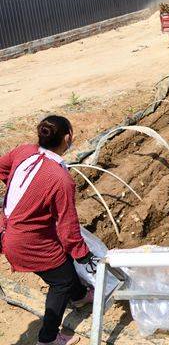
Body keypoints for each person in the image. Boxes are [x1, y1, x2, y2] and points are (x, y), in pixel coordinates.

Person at [0, 116, 94, 345]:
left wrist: (16, 188)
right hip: (26, 242)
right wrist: (83, 254)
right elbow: (67, 226)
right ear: (68, 137)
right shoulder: (60, 179)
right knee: (60, 281)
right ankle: (48, 338)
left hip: (8, 229)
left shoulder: (24, 151)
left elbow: (2, 168)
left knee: (61, 266)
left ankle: (80, 296)